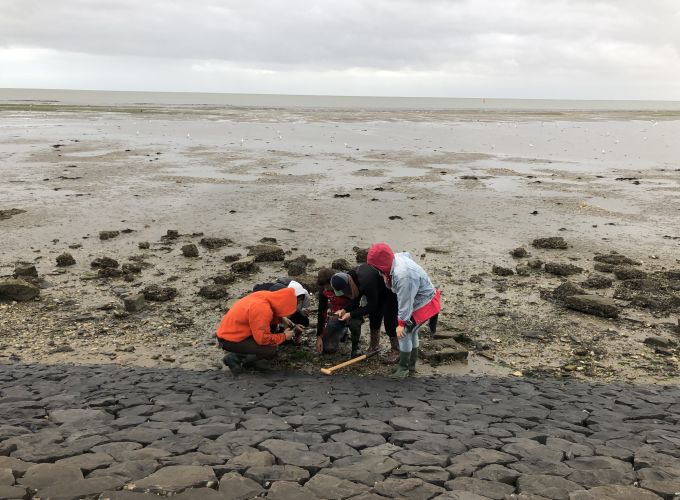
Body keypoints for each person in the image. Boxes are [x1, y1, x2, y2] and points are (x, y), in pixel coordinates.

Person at [366, 243, 441, 379]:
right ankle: (410, 365)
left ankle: (404, 368)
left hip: (425, 302)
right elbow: (407, 254)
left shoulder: (403, 276)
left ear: (381, 264)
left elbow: (405, 303)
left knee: (404, 333)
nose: (375, 270)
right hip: (418, 300)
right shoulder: (395, 259)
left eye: (376, 266)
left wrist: (401, 323)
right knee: (412, 332)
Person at [216, 283, 309, 374]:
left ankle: (250, 360)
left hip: (231, 333)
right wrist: (284, 336)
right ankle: (235, 358)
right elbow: (262, 339)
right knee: (270, 349)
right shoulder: (262, 308)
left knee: (269, 339)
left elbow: (264, 317)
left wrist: (281, 319)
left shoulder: (265, 296)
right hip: (229, 339)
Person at [330, 264, 400, 363]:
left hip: (389, 292)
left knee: (389, 322)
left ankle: (396, 351)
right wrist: (344, 310)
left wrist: (350, 314)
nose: (345, 294)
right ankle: (374, 346)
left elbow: (372, 306)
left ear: (347, 285)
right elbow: (355, 299)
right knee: (374, 318)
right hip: (375, 292)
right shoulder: (351, 277)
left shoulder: (365, 281)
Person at [316, 268, 363, 358]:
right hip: (335, 314)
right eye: (324, 287)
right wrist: (319, 336)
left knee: (355, 323)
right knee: (328, 349)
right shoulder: (323, 290)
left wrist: (345, 311)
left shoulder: (344, 285)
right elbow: (321, 312)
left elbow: (356, 303)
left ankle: (355, 347)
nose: (326, 289)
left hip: (351, 314)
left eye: (327, 286)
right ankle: (343, 332)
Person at [252, 278, 311, 344]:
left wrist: (294, 325)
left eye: (299, 300)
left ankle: (293, 334)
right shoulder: (279, 295)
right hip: (270, 311)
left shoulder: (305, 296)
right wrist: (284, 334)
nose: (298, 301)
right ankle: (278, 333)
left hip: (281, 313)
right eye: (296, 299)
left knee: (304, 320)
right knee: (271, 330)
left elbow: (301, 310)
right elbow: (276, 312)